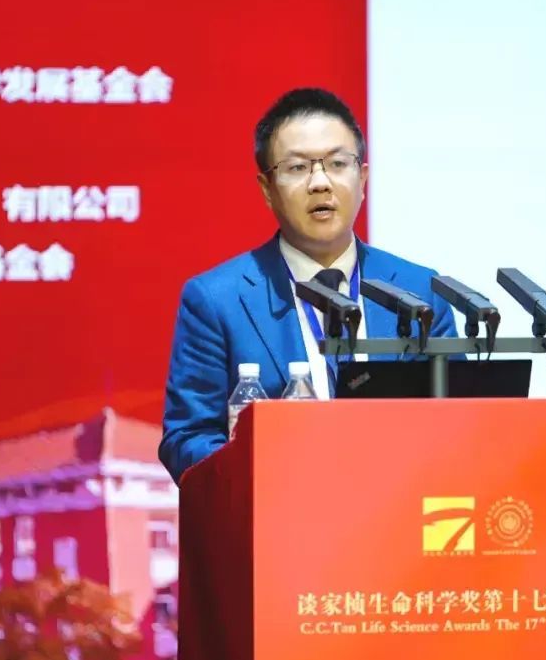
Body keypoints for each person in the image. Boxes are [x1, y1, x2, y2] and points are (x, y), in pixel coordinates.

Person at [159, 87, 458, 483]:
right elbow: (187, 439)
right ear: (267, 190)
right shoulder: (217, 301)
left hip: (400, 510)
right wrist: (268, 474)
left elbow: (458, 424)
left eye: (337, 163)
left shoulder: (421, 293)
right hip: (276, 511)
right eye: (297, 168)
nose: (320, 183)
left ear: (363, 178)